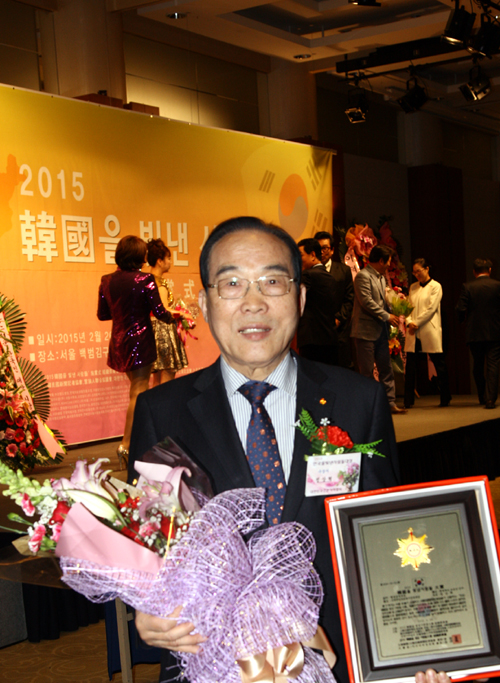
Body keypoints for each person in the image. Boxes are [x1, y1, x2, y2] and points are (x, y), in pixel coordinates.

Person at [128, 216, 400, 683]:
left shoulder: (359, 402)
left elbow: (385, 534)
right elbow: (150, 546)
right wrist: (147, 608)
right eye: (232, 283)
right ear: (205, 303)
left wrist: (412, 650)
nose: (253, 302)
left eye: (273, 282)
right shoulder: (161, 411)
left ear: (300, 298)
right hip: (212, 659)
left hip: (338, 656)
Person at [97, 235, 173, 467]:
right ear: (140, 256)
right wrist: (175, 317)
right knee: (139, 393)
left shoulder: (106, 280)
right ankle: (126, 445)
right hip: (141, 341)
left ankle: (139, 441)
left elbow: (103, 314)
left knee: (138, 392)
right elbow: (160, 312)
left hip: (119, 342)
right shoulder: (144, 279)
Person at [350, 244, 407, 414]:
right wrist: (387, 316)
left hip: (381, 330)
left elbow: (382, 302)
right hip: (365, 331)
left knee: (386, 369)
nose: (389, 265)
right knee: (366, 372)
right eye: (388, 261)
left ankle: (390, 403)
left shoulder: (381, 278)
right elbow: (366, 302)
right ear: (381, 261)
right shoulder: (363, 276)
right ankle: (368, 407)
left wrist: (396, 308)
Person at [404, 258, 451, 409]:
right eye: (414, 272)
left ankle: (445, 396)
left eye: (419, 271)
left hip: (428, 328)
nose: (416, 274)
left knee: (439, 363)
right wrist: (409, 322)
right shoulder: (413, 287)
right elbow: (408, 307)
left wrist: (416, 323)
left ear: (427, 269)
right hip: (413, 330)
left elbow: (431, 309)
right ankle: (408, 400)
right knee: (410, 366)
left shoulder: (435, 286)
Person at [456, 258, 500, 409]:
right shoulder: (497, 285)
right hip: (495, 331)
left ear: (474, 272)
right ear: (489, 271)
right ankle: (490, 399)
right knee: (493, 365)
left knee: (478, 365)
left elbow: (460, 308)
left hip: (475, 332)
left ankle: (482, 395)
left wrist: (462, 321)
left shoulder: (468, 286)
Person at [147, 239, 188, 385]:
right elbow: (163, 310)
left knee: (157, 379)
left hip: (153, 330)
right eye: (168, 258)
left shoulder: (148, 280)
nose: (170, 262)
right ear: (159, 261)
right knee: (167, 376)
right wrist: (182, 314)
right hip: (163, 330)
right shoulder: (158, 282)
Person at [296, 238, 341, 365]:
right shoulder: (331, 277)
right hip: (330, 339)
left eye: (301, 255)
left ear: (313, 255)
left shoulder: (308, 275)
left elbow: (295, 300)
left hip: (311, 340)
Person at [314, 230, 354, 368]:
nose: (321, 252)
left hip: (339, 330)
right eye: (318, 248)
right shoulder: (308, 272)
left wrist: (338, 319)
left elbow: (349, 298)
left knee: (340, 370)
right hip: (317, 332)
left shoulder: (343, 271)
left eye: (325, 248)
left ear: (332, 250)